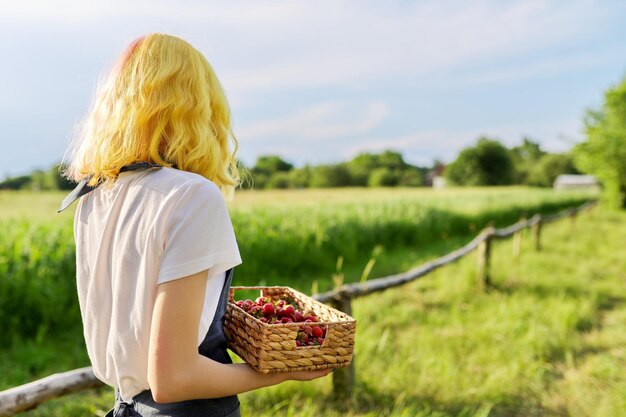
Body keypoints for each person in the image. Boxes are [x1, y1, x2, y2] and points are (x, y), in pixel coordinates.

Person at [60, 33, 331, 417]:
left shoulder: (95, 195)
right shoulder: (191, 195)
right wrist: (282, 371)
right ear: (199, 105)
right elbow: (175, 379)